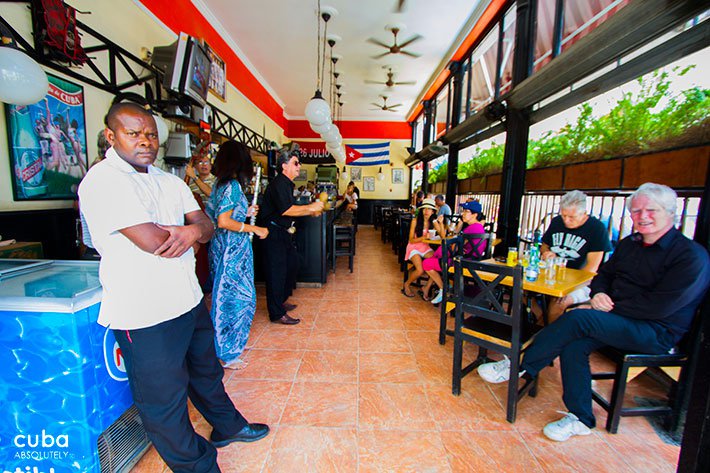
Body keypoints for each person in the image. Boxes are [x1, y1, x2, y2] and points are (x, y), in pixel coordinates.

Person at [78, 102, 268, 473]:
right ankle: (198, 466)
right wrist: (191, 231)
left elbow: (208, 227)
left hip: (187, 298)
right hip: (143, 311)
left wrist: (195, 230)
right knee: (163, 402)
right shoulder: (103, 181)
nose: (145, 141)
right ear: (111, 136)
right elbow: (154, 241)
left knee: (206, 372)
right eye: (134, 134)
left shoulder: (168, 180)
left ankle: (228, 426)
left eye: (151, 134)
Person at [477, 183, 710, 442]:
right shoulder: (630, 245)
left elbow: (660, 306)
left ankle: (520, 365)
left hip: (655, 332)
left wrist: (602, 306)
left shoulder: (690, 256)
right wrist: (598, 294)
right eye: (636, 211)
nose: (642, 216)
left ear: (670, 212)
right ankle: (581, 418)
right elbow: (604, 275)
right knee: (573, 345)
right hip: (615, 318)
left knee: (577, 317)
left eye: (651, 210)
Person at [207, 140, 269, 370]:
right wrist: (254, 228)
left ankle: (225, 345)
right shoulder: (232, 185)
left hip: (221, 248)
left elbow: (224, 214)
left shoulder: (219, 184)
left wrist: (246, 211)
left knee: (224, 296)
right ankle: (227, 351)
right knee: (238, 300)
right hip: (232, 251)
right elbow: (224, 221)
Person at [257, 145, 324, 325]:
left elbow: (290, 210)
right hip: (272, 233)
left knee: (292, 265)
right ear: (284, 166)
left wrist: (310, 210)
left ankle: (280, 300)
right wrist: (310, 208)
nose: (299, 166)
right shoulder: (279, 183)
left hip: (282, 233)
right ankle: (277, 313)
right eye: (295, 163)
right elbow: (287, 210)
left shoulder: (286, 184)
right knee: (276, 273)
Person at [540, 190, 612, 320]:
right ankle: (540, 321)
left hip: (583, 283)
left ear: (584, 213)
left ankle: (550, 335)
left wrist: (565, 284)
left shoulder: (596, 229)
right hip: (551, 275)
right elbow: (545, 245)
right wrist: (546, 252)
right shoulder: (557, 222)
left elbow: (591, 268)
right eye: (563, 215)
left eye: (571, 217)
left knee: (559, 303)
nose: (566, 220)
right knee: (518, 289)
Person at [422, 200, 488, 305]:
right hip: (471, 261)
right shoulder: (478, 227)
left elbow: (453, 247)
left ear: (475, 214)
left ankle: (444, 290)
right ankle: (439, 288)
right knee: (436, 257)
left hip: (461, 263)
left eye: (466, 211)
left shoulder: (471, 228)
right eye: (463, 211)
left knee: (426, 264)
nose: (463, 214)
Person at [401, 198, 440, 299]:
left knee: (437, 264)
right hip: (413, 247)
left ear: (433, 211)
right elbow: (411, 240)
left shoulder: (433, 222)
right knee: (420, 270)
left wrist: (439, 223)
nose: (426, 211)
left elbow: (442, 235)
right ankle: (407, 284)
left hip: (425, 247)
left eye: (429, 209)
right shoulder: (415, 221)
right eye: (424, 209)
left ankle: (426, 287)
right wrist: (424, 237)